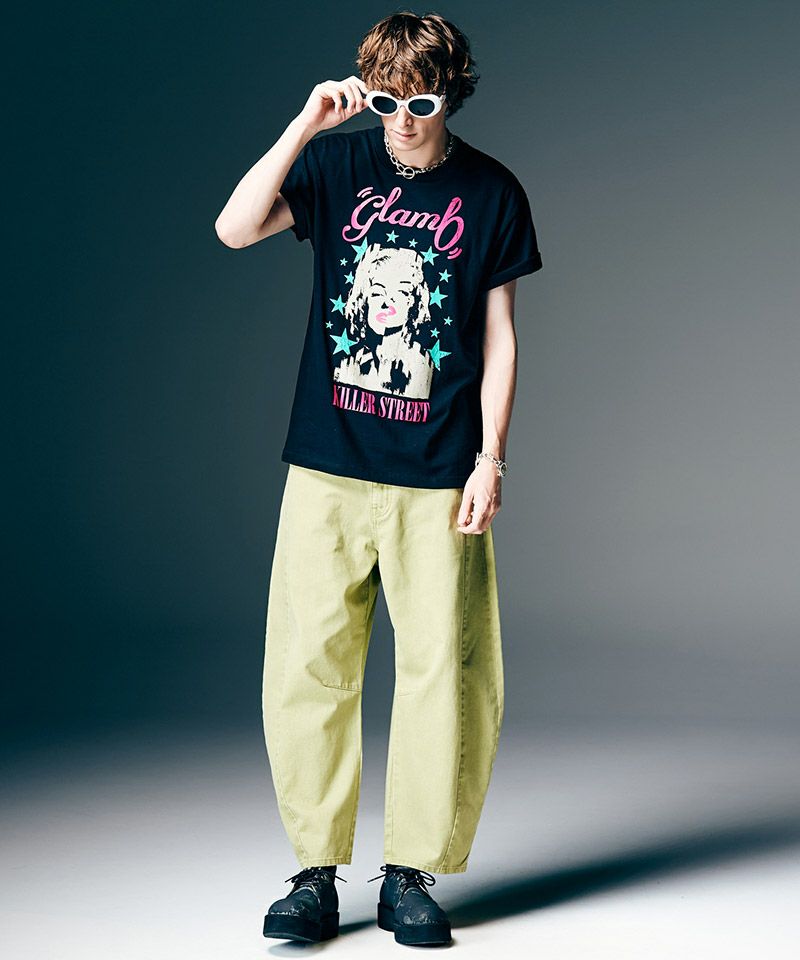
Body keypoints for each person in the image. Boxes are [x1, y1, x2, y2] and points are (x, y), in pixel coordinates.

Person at [214, 11, 542, 948]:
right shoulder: (334, 164)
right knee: (307, 666)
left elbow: (500, 337)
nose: (402, 120)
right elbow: (235, 229)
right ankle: (314, 874)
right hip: (327, 463)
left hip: (438, 472)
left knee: (446, 672)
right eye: (388, 101)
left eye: (421, 104)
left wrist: (491, 459)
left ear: (451, 97)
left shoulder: (492, 191)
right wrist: (305, 125)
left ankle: (411, 874)